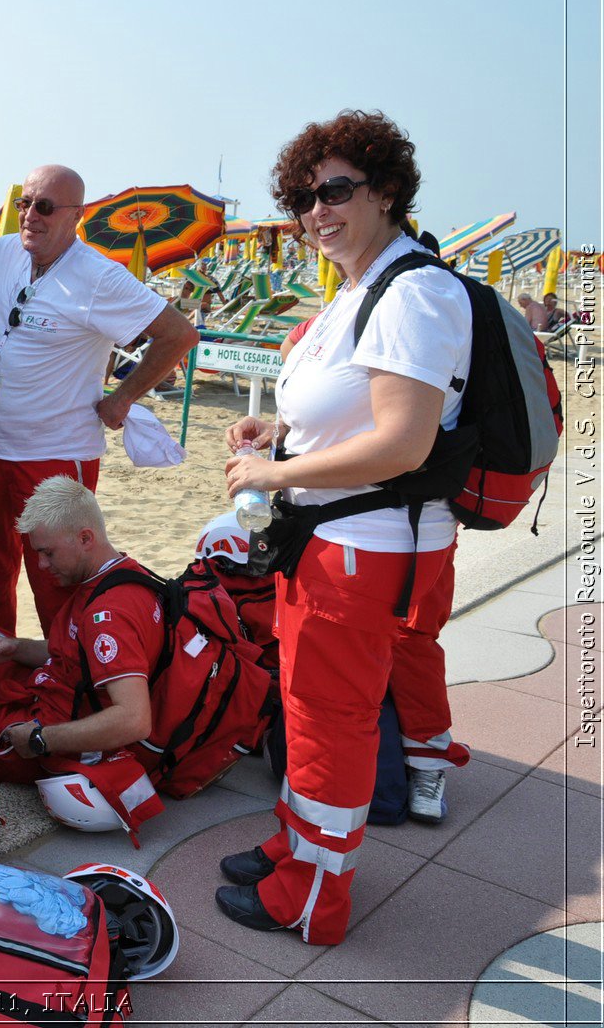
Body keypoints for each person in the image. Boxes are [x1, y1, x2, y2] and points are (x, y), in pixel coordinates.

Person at [217, 110, 471, 946]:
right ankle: (298, 845)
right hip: (337, 541)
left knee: (331, 720)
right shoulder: (362, 288)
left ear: (387, 190)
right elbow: (348, 416)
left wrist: (274, 473)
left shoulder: (416, 291)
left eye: (334, 190)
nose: (315, 211)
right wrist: (279, 439)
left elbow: (404, 441)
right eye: (302, 197)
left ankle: (313, 897)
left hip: (364, 548)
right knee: (309, 710)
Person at [0, 165, 198, 635]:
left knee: (58, 583)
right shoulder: (6, 253)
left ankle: (65, 684)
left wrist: (121, 398)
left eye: (44, 206)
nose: (30, 216)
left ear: (76, 215)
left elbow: (179, 334)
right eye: (24, 203)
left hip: (55, 458)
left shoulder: (99, 276)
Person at [0, 477, 155, 774]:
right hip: (59, 691)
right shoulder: (121, 573)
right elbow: (81, 653)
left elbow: (134, 719)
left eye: (48, 552)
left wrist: (40, 739)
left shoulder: (106, 616)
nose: (41, 564)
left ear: (85, 538)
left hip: (63, 728)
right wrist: (18, 647)